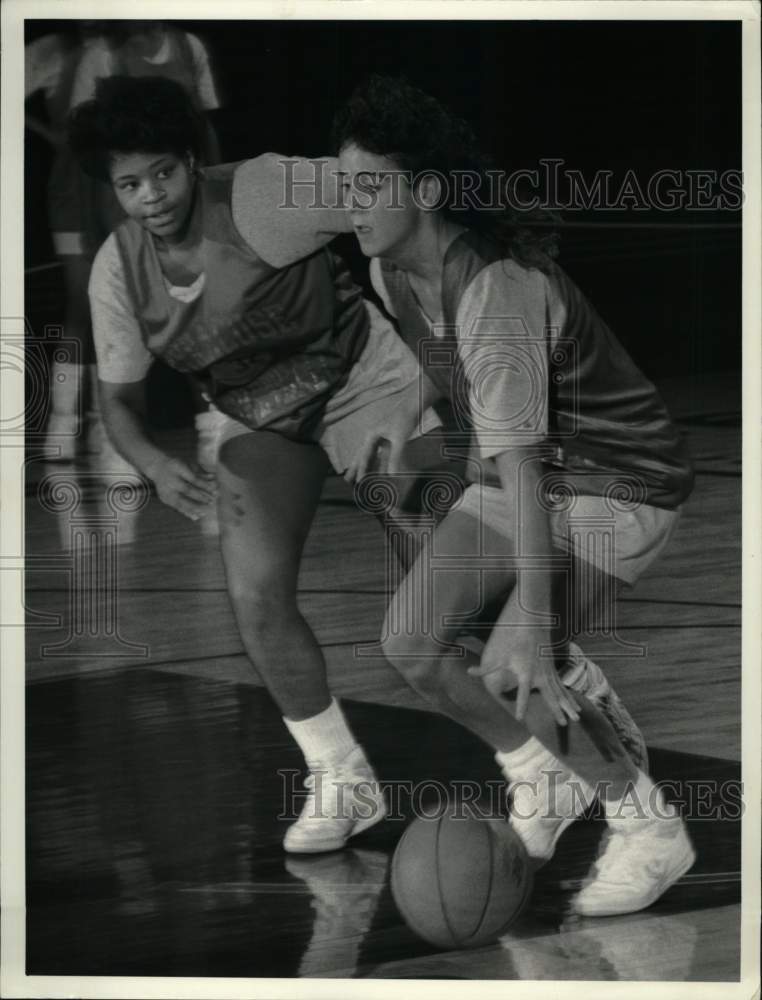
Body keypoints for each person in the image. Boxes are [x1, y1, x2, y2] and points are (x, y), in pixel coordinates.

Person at [333, 75, 696, 917]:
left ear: (424, 191)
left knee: (510, 663)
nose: (350, 208)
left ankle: (651, 829)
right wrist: (404, 403)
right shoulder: (392, 267)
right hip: (529, 473)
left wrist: (533, 628)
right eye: (342, 189)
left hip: (619, 476)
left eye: (367, 188)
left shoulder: (493, 290)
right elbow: (448, 368)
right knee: (412, 642)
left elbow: (528, 470)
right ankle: (541, 772)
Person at [68, 75, 441, 854]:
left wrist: (424, 318)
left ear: (189, 160)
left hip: (364, 382)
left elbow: (399, 198)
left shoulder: (264, 192)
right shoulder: (118, 271)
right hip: (265, 417)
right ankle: (342, 777)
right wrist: (151, 465)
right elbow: (121, 404)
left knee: (449, 583)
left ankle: (553, 757)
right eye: (129, 184)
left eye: (163, 174)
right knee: (255, 595)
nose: (151, 198)